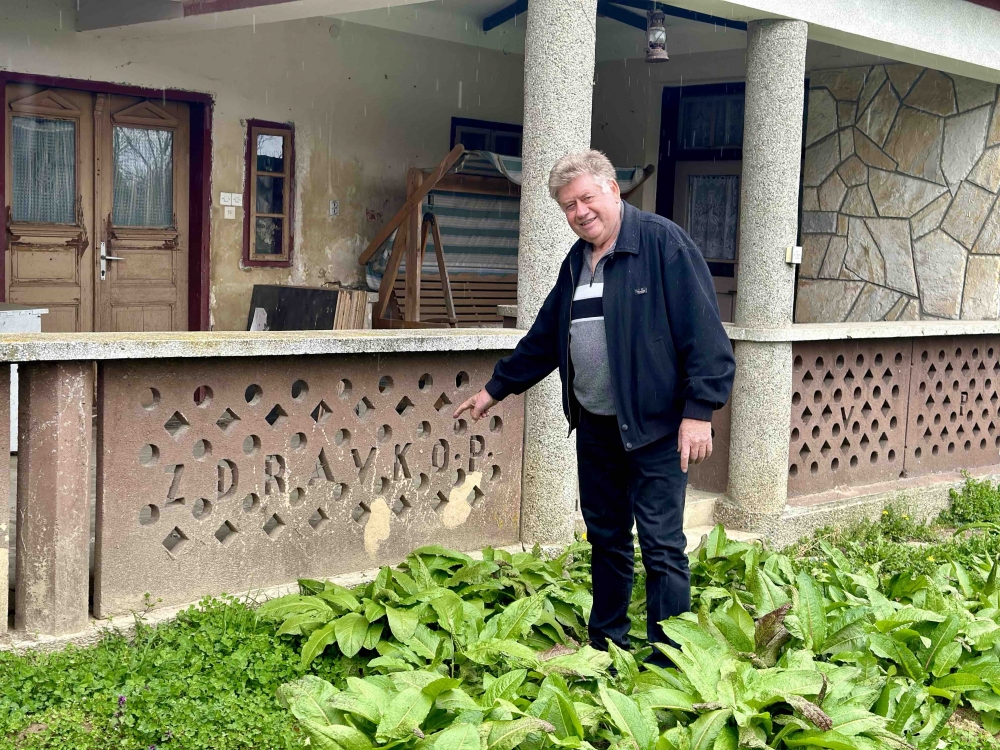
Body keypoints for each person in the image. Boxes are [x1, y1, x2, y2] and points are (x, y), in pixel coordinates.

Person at [453, 149, 735, 663]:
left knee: (661, 545)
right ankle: (606, 643)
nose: (580, 212)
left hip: (657, 426)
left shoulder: (662, 243)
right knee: (605, 537)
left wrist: (699, 411)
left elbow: (705, 336)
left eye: (586, 198)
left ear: (613, 189)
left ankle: (671, 659)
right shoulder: (575, 263)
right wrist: (495, 388)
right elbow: (546, 337)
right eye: (568, 205)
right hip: (597, 427)